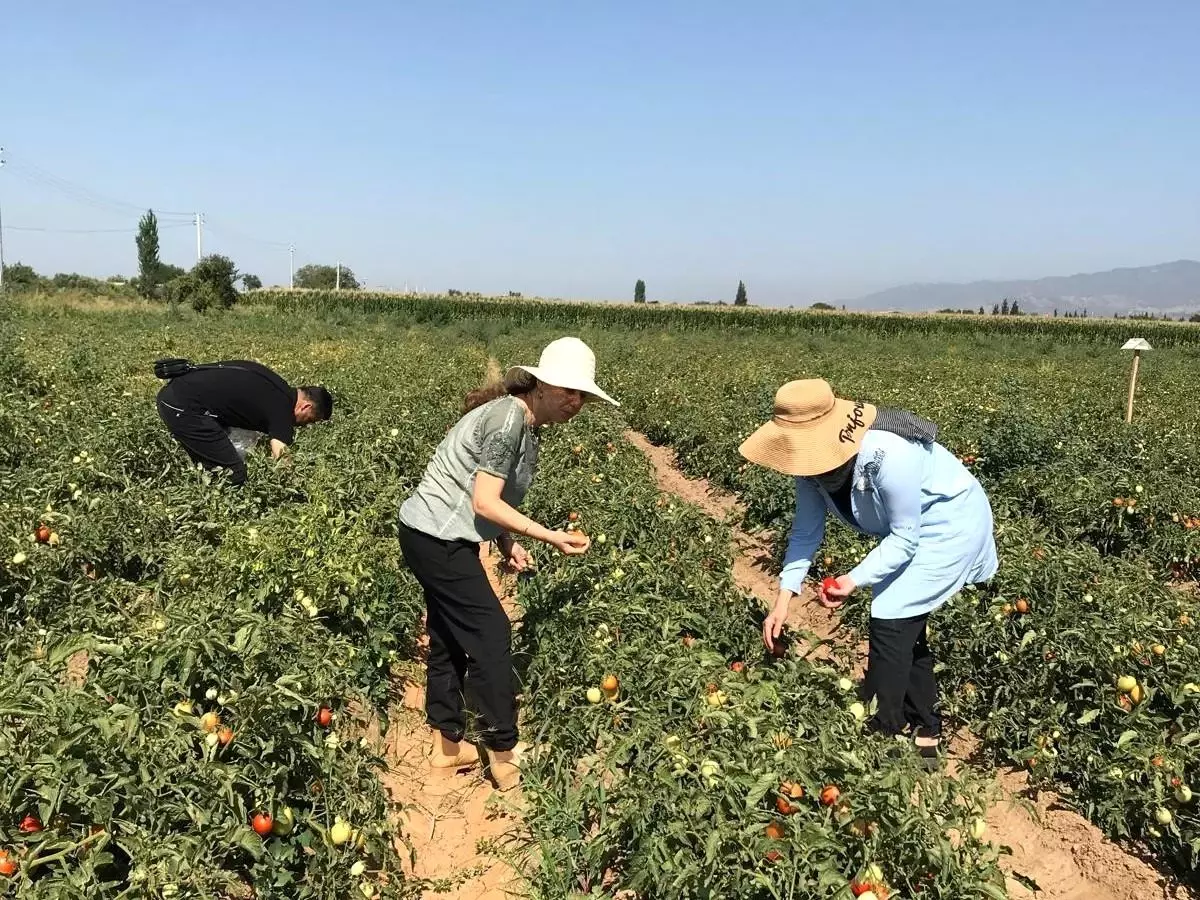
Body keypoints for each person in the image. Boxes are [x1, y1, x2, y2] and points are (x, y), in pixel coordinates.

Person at [398, 337, 618, 791]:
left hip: (429, 533)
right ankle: (504, 751)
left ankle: (448, 749)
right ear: (539, 384)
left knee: (445, 635)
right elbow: (484, 499)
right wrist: (550, 535)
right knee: (492, 634)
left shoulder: (520, 418)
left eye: (582, 396)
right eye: (567, 391)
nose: (575, 403)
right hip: (438, 538)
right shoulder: (507, 422)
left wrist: (505, 544)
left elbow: (481, 498)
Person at [739, 379, 997, 766]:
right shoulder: (808, 469)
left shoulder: (889, 453)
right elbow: (806, 532)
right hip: (910, 531)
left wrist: (852, 579)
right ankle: (926, 726)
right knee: (903, 623)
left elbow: (905, 538)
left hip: (948, 525)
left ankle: (886, 732)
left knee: (891, 617)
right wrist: (781, 603)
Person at [155, 359, 333, 485]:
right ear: (305, 407)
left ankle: (200, 478)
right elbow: (282, 457)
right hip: (181, 407)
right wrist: (299, 487)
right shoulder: (282, 411)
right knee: (234, 474)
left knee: (216, 458)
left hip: (179, 394)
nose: (305, 425)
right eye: (310, 420)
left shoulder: (278, 386)